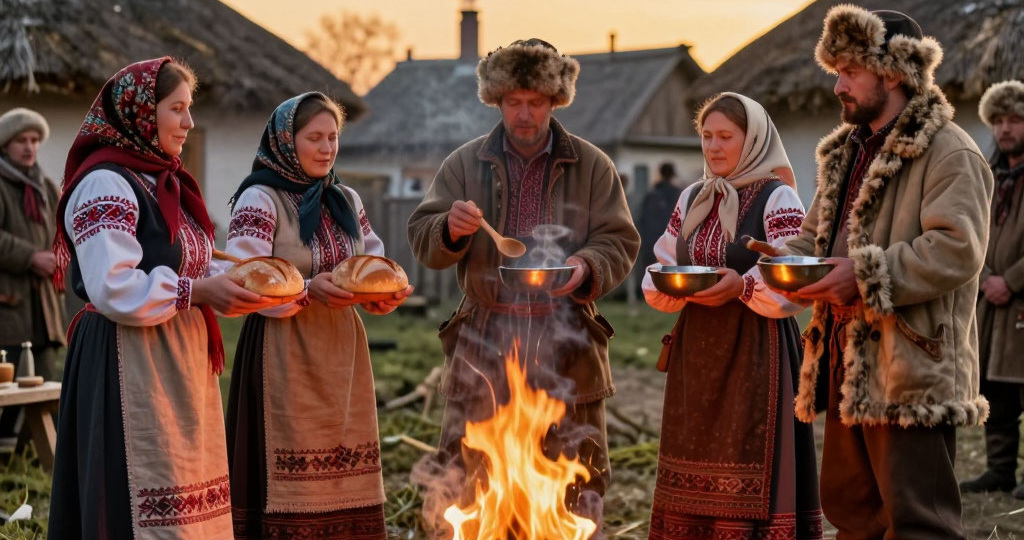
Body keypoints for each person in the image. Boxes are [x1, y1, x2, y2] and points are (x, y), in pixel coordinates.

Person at [777, 7, 993, 538]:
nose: (838, 87)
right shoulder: (844, 152)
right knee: (853, 516)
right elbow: (815, 237)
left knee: (917, 523)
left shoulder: (949, 150)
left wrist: (863, 275)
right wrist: (779, 265)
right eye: (837, 73)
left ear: (894, 71)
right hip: (843, 359)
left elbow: (957, 248)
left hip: (910, 369)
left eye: (850, 72)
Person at [407, 38, 639, 532]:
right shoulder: (463, 164)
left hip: (567, 342)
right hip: (485, 340)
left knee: (574, 481)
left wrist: (585, 267)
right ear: (497, 100)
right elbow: (424, 240)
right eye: (514, 101)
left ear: (555, 100)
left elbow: (619, 240)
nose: (525, 114)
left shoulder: (592, 165)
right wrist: (449, 229)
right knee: (470, 475)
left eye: (536, 102)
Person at [47, 57, 280, 539]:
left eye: (189, 108)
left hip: (180, 357)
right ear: (140, 112)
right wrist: (199, 292)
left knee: (187, 493)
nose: (189, 121)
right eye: (177, 108)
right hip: (127, 357)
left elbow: (193, 261)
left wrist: (243, 284)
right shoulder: (104, 183)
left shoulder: (166, 182)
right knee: (139, 495)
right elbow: (113, 286)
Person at [224, 92, 411, 539]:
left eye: (333, 137)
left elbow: (370, 260)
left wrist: (379, 296)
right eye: (314, 138)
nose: (327, 149)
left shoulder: (345, 197)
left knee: (345, 452)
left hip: (342, 347)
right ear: (287, 142)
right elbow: (243, 277)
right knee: (292, 461)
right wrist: (308, 290)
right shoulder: (259, 199)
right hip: (283, 346)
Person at [642, 93, 822, 539]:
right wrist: (670, 284)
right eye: (706, 136)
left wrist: (742, 286)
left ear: (754, 139)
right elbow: (664, 263)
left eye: (726, 136)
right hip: (696, 348)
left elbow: (793, 277)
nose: (714, 147)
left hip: (756, 348)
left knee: (747, 451)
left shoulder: (777, 197)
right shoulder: (692, 197)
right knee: (694, 448)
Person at [959, 80, 1024, 499]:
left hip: (1019, 299)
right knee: (995, 390)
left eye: (1015, 119)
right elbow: (966, 231)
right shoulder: (986, 175)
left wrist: (1012, 281)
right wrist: (983, 278)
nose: (1005, 128)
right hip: (989, 301)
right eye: (998, 120)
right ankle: (999, 471)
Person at [0, 107, 67, 440]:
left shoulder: (45, 187)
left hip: (44, 309)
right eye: (21, 140)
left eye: (34, 140)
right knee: (8, 392)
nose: (29, 147)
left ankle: (32, 456)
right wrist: (30, 257)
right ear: (5, 145)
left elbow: (62, 231)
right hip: (9, 308)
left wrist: (60, 254)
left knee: (43, 392)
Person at [637, 162, 682, 273]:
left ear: (660, 174)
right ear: (673, 174)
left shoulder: (651, 195)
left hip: (651, 246)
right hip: (674, 248)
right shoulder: (680, 195)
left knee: (651, 278)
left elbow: (642, 221)